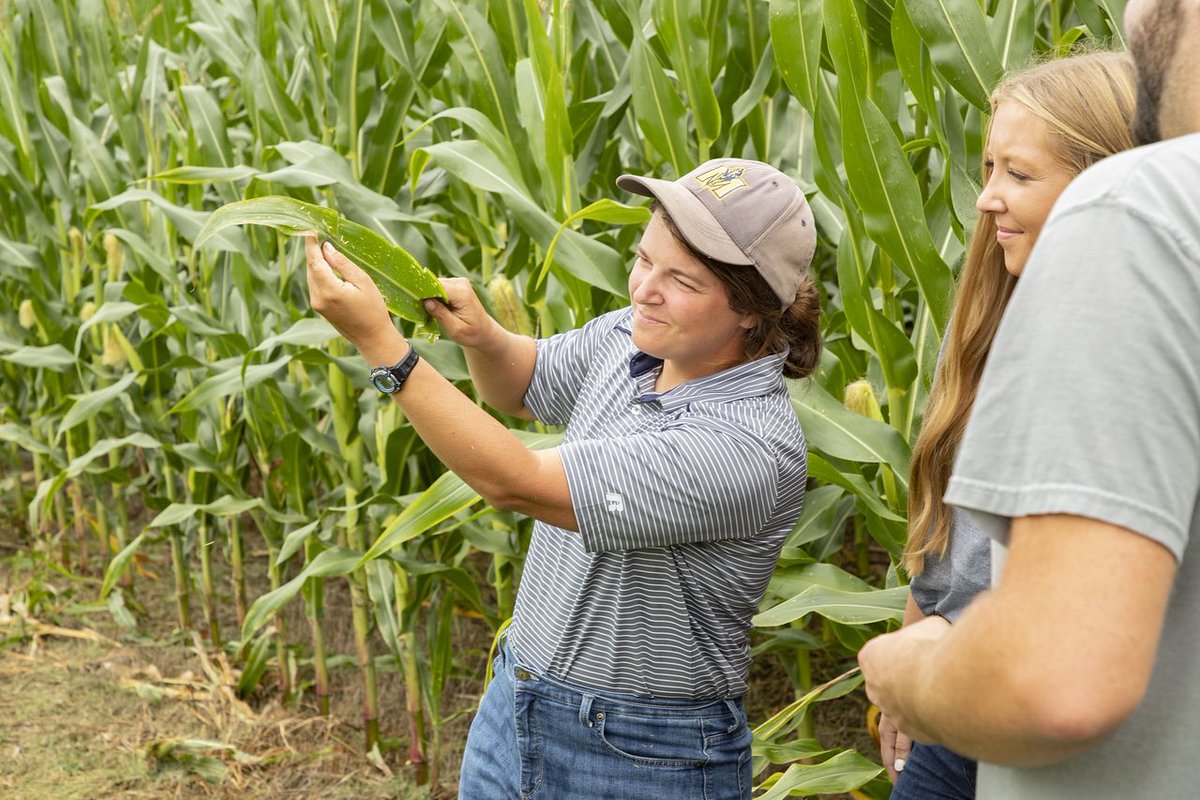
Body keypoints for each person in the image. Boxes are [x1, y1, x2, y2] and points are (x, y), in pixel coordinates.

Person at [304, 158, 823, 799]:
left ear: (753, 312)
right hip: (517, 696)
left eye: (681, 281)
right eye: (643, 259)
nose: (643, 290)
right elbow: (522, 385)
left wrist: (384, 348)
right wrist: (487, 339)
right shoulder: (634, 340)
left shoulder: (744, 447)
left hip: (641, 753)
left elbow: (515, 480)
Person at [859, 2, 1200, 798]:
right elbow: (946, 540)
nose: (986, 200)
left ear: (1103, 170)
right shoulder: (986, 317)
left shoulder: (1135, 226)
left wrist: (906, 676)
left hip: (1008, 699)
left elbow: (1057, 677)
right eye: (987, 170)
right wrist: (922, 645)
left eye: (1018, 173)